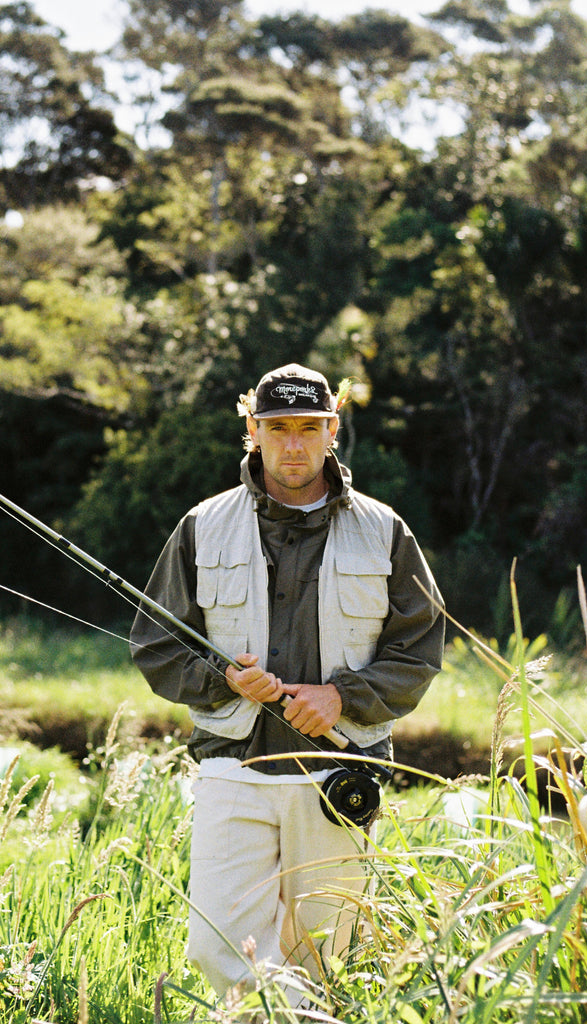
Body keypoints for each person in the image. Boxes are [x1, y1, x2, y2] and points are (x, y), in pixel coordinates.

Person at [130, 363, 444, 1008]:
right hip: (231, 767)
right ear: (253, 430)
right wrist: (223, 682)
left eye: (309, 427)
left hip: (339, 770)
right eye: (278, 429)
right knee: (217, 943)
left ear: (333, 429)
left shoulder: (385, 530)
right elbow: (157, 646)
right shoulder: (201, 525)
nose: (294, 445)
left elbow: (419, 650)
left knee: (326, 956)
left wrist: (342, 697)